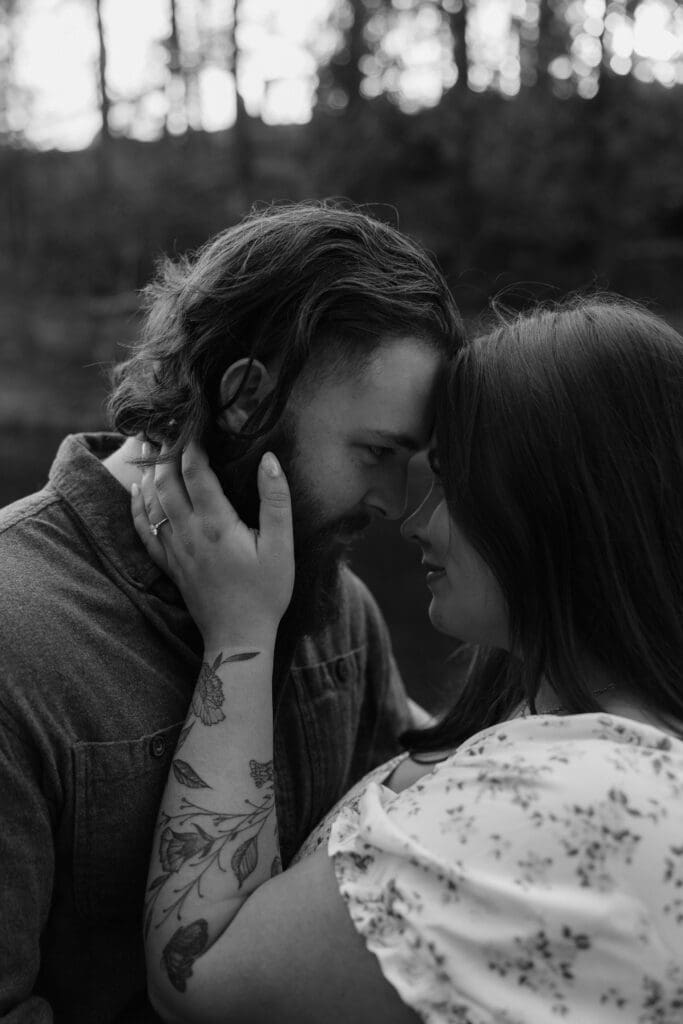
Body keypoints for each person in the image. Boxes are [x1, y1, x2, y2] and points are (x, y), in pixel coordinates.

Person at [135, 294, 683, 1023]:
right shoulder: (589, 730)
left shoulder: (571, 799)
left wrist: (239, 632)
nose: (414, 517)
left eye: (453, 485)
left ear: (557, 504)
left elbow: (197, 978)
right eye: (381, 455)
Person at [0, 201, 462, 1022]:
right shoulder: (15, 634)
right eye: (375, 455)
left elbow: (398, 868)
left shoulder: (335, 606)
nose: (395, 504)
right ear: (246, 397)